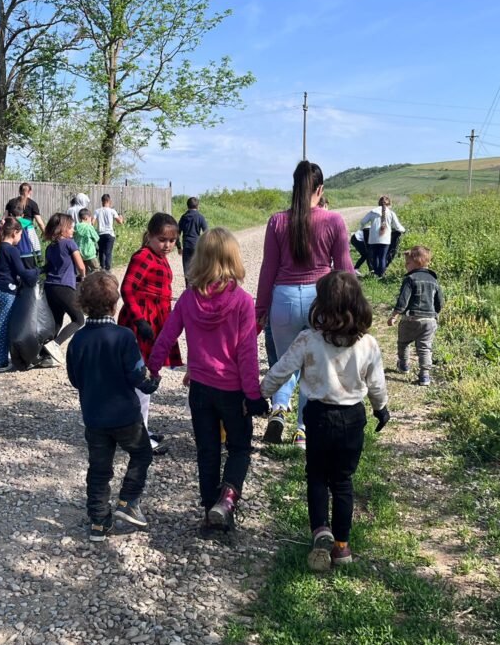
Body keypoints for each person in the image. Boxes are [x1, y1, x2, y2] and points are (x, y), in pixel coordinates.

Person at [261, 271, 390, 571]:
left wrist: (260, 394)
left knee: (317, 476)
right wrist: (381, 409)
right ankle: (342, 547)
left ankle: (321, 530)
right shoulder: (368, 344)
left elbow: (281, 370)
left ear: (320, 305)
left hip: (318, 417)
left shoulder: (308, 339)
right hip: (352, 418)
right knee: (343, 481)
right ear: (359, 305)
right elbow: (377, 384)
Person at [148, 228, 270, 533]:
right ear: (233, 259)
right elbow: (247, 354)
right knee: (239, 447)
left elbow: (166, 336)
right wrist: (253, 395)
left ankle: (208, 512)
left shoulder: (189, 298)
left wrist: (153, 368)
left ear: (200, 259)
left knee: (207, 450)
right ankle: (227, 499)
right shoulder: (242, 302)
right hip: (232, 391)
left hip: (200, 389)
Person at [255, 160, 353, 449]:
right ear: (320, 189)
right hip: (319, 300)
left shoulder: (277, 221)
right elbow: (344, 268)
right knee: (313, 366)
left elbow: (268, 269)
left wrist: (261, 309)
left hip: (283, 299)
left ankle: (279, 408)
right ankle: (302, 431)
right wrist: (352, 307)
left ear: (295, 187)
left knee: (286, 361)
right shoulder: (334, 221)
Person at [67, 271, 161, 541]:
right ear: (115, 304)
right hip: (125, 415)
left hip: (94, 417)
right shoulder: (124, 336)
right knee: (142, 453)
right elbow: (137, 375)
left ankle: (98, 522)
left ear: (83, 305)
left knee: (99, 469)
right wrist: (151, 383)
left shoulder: (77, 340)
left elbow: (75, 379)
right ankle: (128, 501)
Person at [118, 212, 182, 453]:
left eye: (172, 241)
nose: (167, 245)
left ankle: (140, 427)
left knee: (147, 375)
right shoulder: (143, 256)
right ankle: (139, 434)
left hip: (155, 322)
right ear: (151, 236)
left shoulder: (160, 257)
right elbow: (127, 288)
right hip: (141, 324)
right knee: (141, 377)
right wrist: (140, 320)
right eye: (162, 240)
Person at [0, 217, 39, 373]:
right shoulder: (11, 250)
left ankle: (2, 359)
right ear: (15, 233)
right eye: (21, 235)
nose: (21, 238)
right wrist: (38, 271)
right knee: (2, 327)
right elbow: (22, 272)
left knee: (3, 325)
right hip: (6, 291)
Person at [387, 245, 444, 386]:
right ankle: (425, 375)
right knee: (425, 348)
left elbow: (403, 301)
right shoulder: (433, 280)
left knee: (404, 342)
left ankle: (404, 365)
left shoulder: (410, 279)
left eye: (408, 263)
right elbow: (440, 302)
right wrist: (435, 314)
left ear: (417, 261)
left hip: (411, 318)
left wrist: (394, 315)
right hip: (429, 320)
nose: (405, 266)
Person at [42, 213, 86, 362]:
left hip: (50, 287)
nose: (73, 230)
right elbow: (81, 266)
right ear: (63, 229)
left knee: (56, 320)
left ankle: (44, 353)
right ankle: (55, 344)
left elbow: (48, 267)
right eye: (71, 227)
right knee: (78, 319)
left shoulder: (50, 247)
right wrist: (83, 277)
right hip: (64, 286)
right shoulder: (69, 243)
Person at [359, 195, 405, 278]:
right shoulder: (391, 213)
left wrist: (363, 228)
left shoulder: (372, 212)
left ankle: (376, 274)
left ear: (379, 203)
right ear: (389, 204)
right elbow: (397, 226)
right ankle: (381, 275)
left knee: (375, 257)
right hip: (385, 239)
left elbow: (363, 221)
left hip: (373, 239)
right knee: (382, 257)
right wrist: (403, 230)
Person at [177, 197, 209, 280]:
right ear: (198, 206)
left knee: (187, 270)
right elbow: (206, 232)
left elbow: (177, 233)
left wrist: (179, 247)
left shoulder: (183, 217)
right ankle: (198, 286)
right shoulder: (200, 217)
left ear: (187, 206)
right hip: (197, 246)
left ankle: (188, 287)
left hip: (186, 245)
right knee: (199, 269)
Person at [93, 194, 124, 271]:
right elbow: (120, 222)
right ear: (109, 201)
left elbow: (92, 222)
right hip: (110, 233)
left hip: (100, 234)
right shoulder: (112, 211)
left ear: (102, 201)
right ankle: (108, 268)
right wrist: (121, 217)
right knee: (108, 252)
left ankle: (102, 267)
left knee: (101, 251)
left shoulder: (97, 211)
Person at [74, 208, 100, 278]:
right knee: (96, 269)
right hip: (90, 253)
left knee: (84, 271)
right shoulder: (89, 227)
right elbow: (96, 238)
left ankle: (83, 281)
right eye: (90, 218)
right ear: (86, 218)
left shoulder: (76, 227)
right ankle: (95, 282)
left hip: (80, 253)